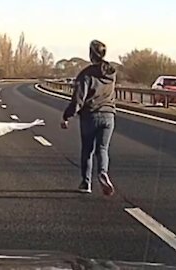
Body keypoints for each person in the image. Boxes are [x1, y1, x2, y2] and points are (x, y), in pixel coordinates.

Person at [61, 39, 116, 195]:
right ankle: (103, 173)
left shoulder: (86, 74)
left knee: (88, 150)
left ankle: (86, 183)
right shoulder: (112, 72)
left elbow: (78, 99)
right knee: (103, 149)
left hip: (90, 116)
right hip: (109, 115)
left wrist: (66, 116)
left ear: (91, 53)